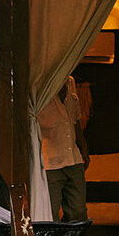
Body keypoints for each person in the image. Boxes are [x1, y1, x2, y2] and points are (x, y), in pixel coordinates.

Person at [37, 74, 89, 221]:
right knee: (51, 211)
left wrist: (83, 148)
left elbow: (75, 119)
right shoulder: (40, 86)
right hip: (50, 161)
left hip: (73, 158)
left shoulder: (70, 82)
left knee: (78, 211)